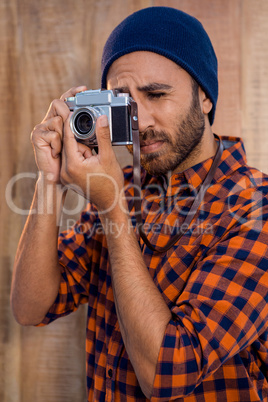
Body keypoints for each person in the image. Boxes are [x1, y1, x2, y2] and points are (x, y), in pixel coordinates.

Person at [10, 6, 268, 401]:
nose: (140, 120)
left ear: (204, 96)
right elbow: (31, 307)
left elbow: (168, 373)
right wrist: (50, 178)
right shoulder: (119, 185)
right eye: (123, 102)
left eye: (156, 94)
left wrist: (113, 207)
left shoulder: (255, 207)